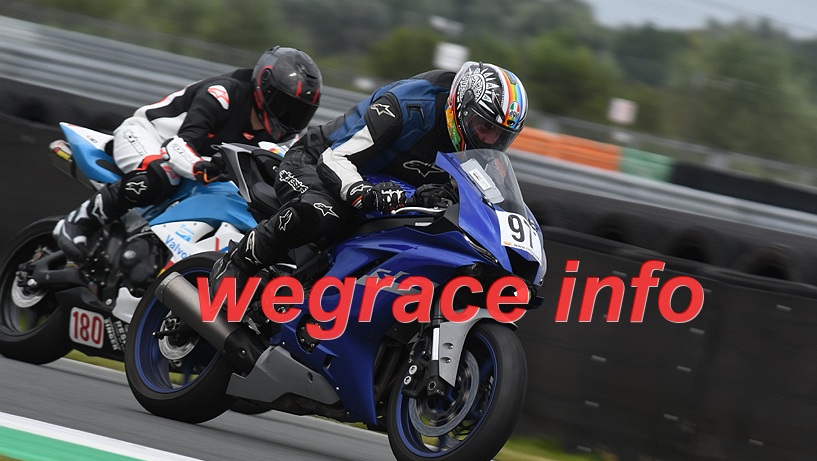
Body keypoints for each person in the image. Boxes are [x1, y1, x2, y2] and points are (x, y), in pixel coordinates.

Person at [209, 60, 528, 292]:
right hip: (317, 163)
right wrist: (361, 190)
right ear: (460, 107)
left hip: (387, 190)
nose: (489, 140)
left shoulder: (481, 153)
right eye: (484, 126)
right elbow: (335, 159)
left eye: (501, 135)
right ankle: (239, 261)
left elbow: (493, 202)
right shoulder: (409, 106)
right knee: (323, 213)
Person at [53, 46, 322, 261]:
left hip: (191, 160)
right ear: (265, 86)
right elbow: (178, 145)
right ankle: (79, 221)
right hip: (148, 136)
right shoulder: (222, 94)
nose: (290, 118)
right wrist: (199, 167)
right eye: (286, 106)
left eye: (300, 112)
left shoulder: (286, 138)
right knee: (162, 175)